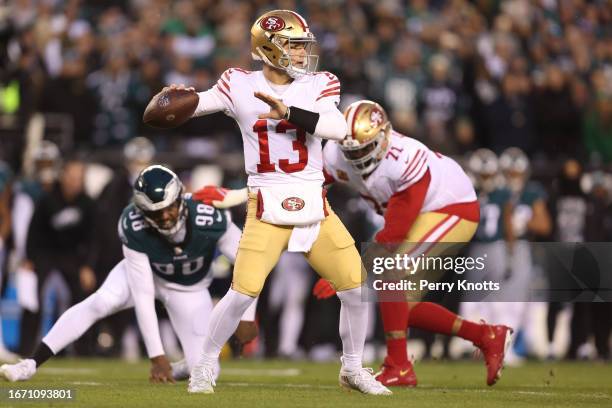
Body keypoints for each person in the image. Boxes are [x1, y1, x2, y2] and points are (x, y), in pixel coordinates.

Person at [161, 10, 390, 395]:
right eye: (294, 45)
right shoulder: (238, 83)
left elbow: (338, 128)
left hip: (313, 203)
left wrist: (289, 113)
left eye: (303, 45)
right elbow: (197, 103)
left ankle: (352, 368)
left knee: (355, 287)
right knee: (242, 292)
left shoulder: (320, 83)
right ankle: (205, 364)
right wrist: (172, 102)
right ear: (269, 48)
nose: (302, 53)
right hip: (266, 201)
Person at [313, 100, 512, 387]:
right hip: (422, 215)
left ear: (384, 136)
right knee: (401, 303)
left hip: (452, 206)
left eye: (365, 148)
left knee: (389, 271)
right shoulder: (333, 153)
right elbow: (311, 186)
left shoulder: (406, 159)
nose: (358, 158)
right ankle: (486, 336)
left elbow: (393, 235)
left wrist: (346, 273)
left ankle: (399, 366)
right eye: (352, 151)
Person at [0, 165, 256, 383]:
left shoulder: (209, 215)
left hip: (188, 288)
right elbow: (143, 296)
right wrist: (156, 355)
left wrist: (248, 315)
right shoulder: (133, 223)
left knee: (207, 370)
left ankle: (181, 367)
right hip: (147, 274)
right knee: (100, 302)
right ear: (143, 212)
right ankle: (30, 364)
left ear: (181, 197)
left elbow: (250, 266)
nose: (165, 217)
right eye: (156, 212)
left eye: (169, 208)